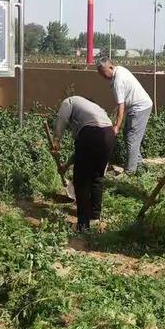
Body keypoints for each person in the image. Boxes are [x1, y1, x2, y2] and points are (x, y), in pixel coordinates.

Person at [52, 96, 115, 231]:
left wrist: (56, 139)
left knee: (81, 181)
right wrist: (66, 166)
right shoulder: (93, 110)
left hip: (91, 134)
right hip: (109, 134)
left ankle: (82, 225)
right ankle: (94, 218)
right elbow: (81, 151)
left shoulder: (69, 101)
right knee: (97, 178)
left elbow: (62, 119)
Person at [97, 57, 152, 174]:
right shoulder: (120, 69)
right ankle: (138, 164)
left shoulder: (118, 80)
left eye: (104, 72)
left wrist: (117, 126)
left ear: (110, 67)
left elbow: (121, 106)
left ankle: (130, 171)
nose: (103, 76)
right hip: (139, 106)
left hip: (139, 107)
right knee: (129, 135)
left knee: (132, 138)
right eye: (100, 74)